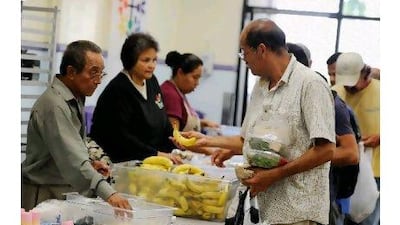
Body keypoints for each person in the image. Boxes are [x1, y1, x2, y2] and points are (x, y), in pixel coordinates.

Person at [177, 18, 336, 225]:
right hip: (263, 209)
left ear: (261, 50)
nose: (243, 59)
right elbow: (247, 140)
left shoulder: (310, 84)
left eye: (244, 52)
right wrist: (205, 141)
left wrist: (275, 175)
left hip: (299, 211)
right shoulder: (260, 86)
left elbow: (326, 150)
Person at [21, 40, 131, 211]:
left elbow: (67, 153)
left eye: (101, 74)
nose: (98, 81)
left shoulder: (75, 99)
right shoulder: (54, 105)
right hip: (42, 194)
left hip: (62, 189)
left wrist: (90, 164)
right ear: (71, 72)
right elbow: (72, 160)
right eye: (93, 73)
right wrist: (109, 193)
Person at [89, 33, 181, 164]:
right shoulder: (118, 90)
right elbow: (121, 138)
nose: (152, 65)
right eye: (146, 60)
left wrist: (175, 141)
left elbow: (163, 120)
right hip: (117, 162)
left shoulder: (151, 81)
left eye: (154, 60)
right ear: (130, 60)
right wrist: (156, 154)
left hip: (148, 158)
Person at [332, 52, 380, 225]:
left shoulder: (381, 90)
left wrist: (380, 138)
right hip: (343, 170)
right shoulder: (335, 93)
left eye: (353, 83)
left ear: (364, 73)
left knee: (367, 219)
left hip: (375, 170)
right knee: (339, 218)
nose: (348, 88)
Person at [160, 51, 220, 155]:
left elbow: (180, 120)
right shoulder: (171, 95)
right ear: (180, 73)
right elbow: (175, 136)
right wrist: (209, 151)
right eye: (194, 77)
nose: (197, 83)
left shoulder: (177, 91)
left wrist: (203, 123)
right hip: (171, 155)